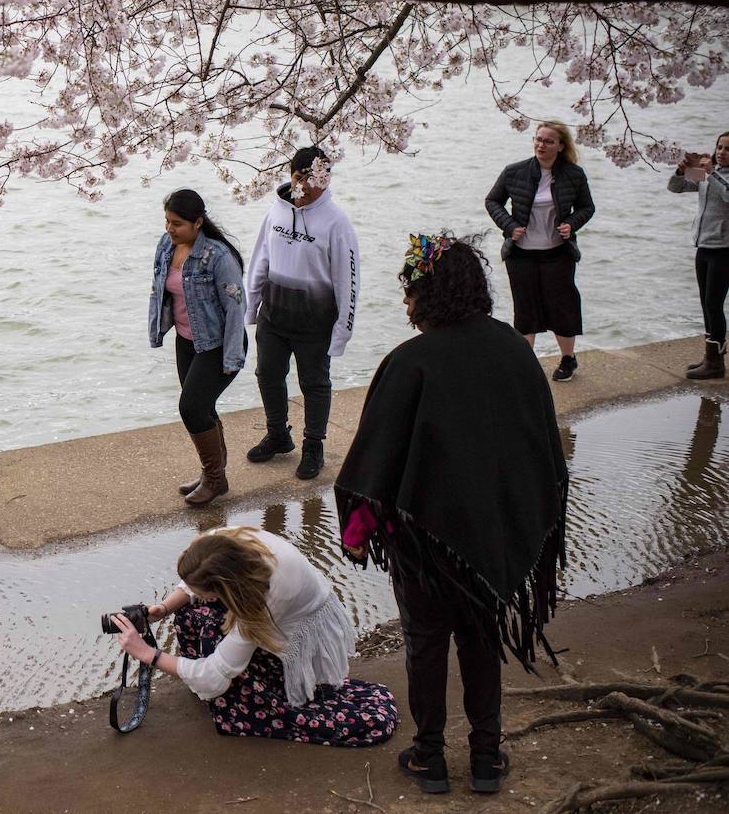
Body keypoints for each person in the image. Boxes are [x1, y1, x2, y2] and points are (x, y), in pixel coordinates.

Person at [334, 233, 567, 795]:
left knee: (425, 642)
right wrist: (533, 521)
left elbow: (372, 464)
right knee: (482, 641)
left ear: (431, 293)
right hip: (491, 533)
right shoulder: (515, 349)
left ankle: (430, 757)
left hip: (423, 541)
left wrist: (357, 535)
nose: (406, 305)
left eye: (411, 292)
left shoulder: (409, 362)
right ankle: (487, 758)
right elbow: (541, 448)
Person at [109, 525, 397, 745]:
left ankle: (256, 692)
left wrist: (147, 654)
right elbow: (192, 582)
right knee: (189, 613)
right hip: (272, 598)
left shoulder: (268, 597)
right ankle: (233, 679)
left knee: (213, 640)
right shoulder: (221, 542)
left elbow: (212, 674)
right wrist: (162, 608)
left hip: (296, 624)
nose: (194, 592)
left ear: (227, 588)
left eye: (204, 591)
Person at [243, 145, 359, 480]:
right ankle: (278, 434)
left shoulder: (336, 222)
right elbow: (259, 260)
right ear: (291, 176)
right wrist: (252, 308)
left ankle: (314, 446)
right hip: (274, 316)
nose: (306, 186)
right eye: (299, 177)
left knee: (314, 383)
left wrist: (342, 333)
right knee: (267, 374)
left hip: (314, 321)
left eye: (314, 179)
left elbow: (348, 281)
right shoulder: (276, 212)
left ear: (326, 179)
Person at [148, 189, 247, 506]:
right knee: (202, 407)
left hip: (218, 344)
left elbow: (236, 308)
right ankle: (212, 474)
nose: (169, 229)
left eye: (177, 223)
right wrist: (157, 330)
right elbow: (160, 292)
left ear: (198, 222)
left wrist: (232, 356)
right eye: (167, 221)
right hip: (187, 341)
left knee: (191, 408)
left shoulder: (218, 256)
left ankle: (215, 479)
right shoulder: (167, 246)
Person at [484, 121, 596, 382]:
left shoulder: (573, 174)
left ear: (560, 146)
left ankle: (568, 359)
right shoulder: (515, 172)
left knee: (562, 307)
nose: (540, 145)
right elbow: (492, 201)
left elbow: (587, 207)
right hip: (521, 253)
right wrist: (510, 226)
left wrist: (571, 224)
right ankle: (526, 363)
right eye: (537, 139)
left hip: (558, 253)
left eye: (547, 141)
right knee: (525, 310)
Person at [667, 130, 729, 380]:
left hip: (724, 250)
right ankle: (710, 356)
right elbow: (675, 187)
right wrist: (682, 170)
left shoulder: (713, 175)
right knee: (706, 303)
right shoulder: (706, 174)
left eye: (727, 149)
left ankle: (716, 363)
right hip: (703, 246)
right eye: (720, 147)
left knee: (714, 304)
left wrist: (712, 172)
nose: (722, 152)